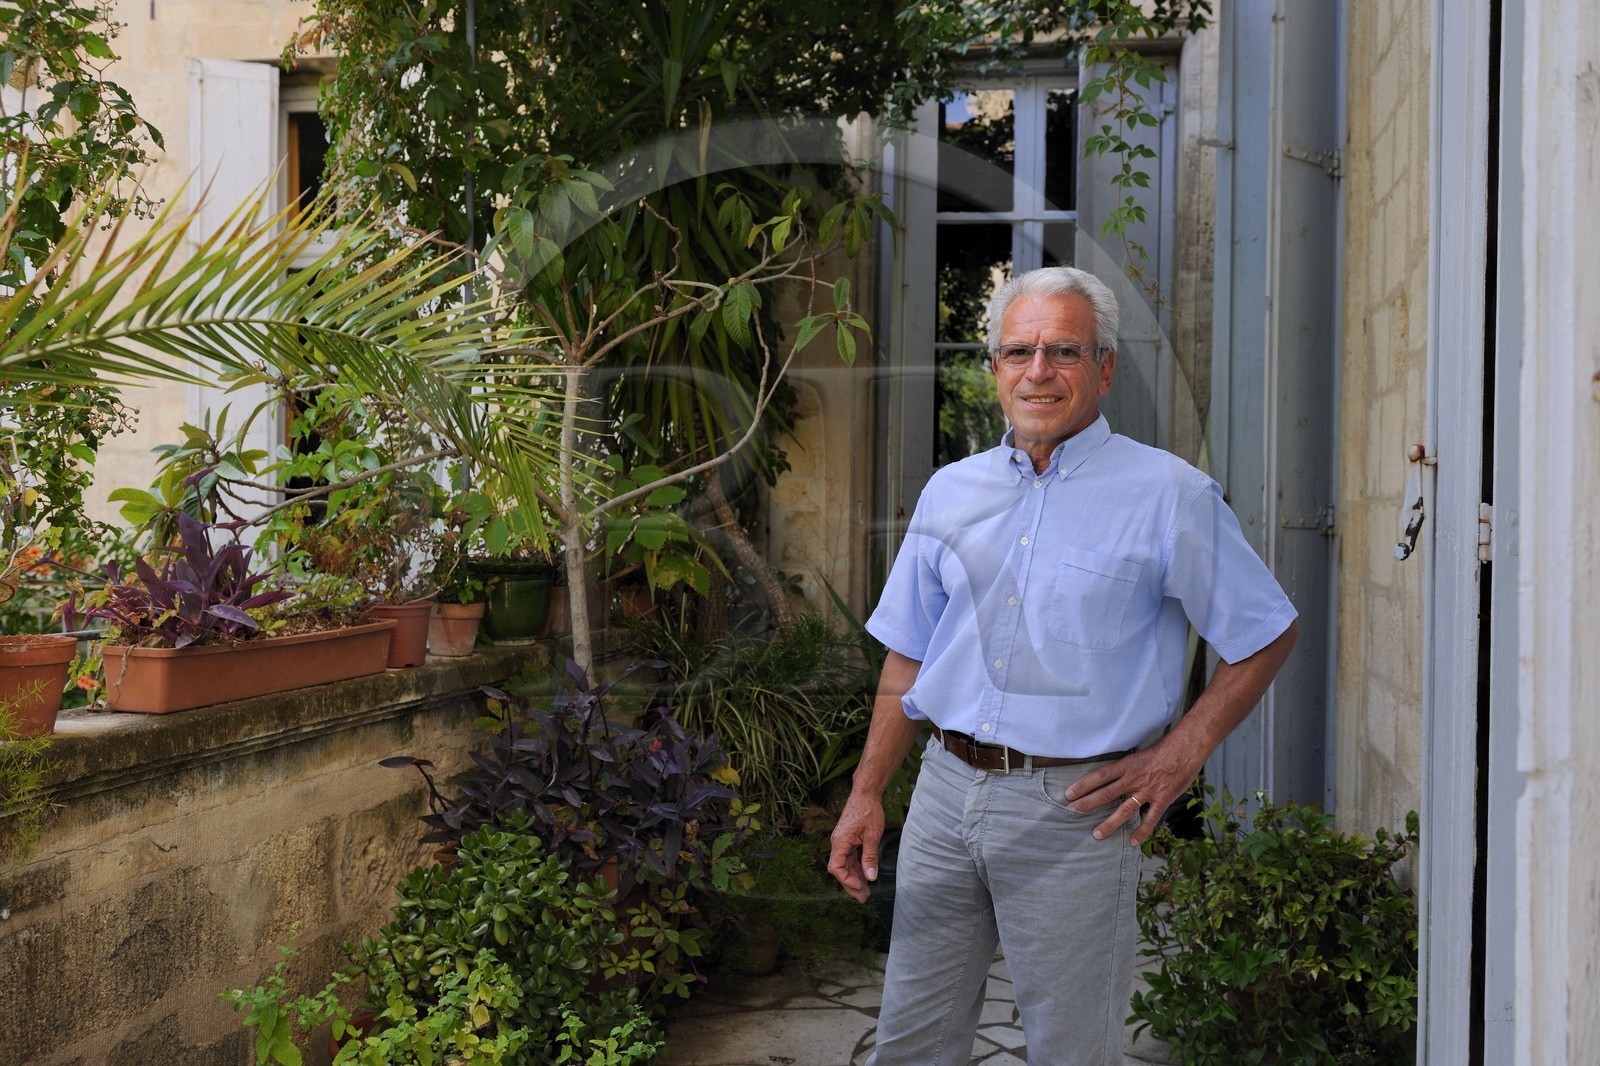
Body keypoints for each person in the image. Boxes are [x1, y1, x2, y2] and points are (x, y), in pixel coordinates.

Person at [828, 266, 1299, 1066]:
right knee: (911, 1042)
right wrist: (867, 792)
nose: (1038, 370)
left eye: (1065, 351)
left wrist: (1181, 753)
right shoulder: (950, 492)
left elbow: (1265, 631)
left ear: (1104, 368)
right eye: (1019, 351)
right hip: (943, 795)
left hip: (1075, 810)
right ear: (995, 368)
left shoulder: (1170, 495)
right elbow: (908, 654)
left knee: (1070, 1051)